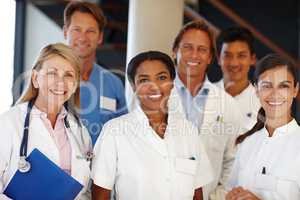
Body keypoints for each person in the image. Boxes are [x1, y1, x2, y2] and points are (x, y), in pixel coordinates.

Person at [91, 51, 214, 200]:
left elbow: (197, 193)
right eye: (144, 80)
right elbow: (100, 195)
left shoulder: (189, 131)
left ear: (172, 83)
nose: (154, 87)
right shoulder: (114, 131)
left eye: (162, 78)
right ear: (133, 86)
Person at [0, 43, 92, 199]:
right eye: (52, 73)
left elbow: (84, 192)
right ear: (35, 78)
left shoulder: (80, 131)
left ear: (75, 85)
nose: (60, 82)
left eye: (68, 75)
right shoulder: (8, 124)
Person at [172, 20, 246, 200]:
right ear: (175, 51)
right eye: (187, 47)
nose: (194, 55)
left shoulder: (227, 105)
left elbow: (232, 161)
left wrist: (217, 197)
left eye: (202, 49)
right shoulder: (154, 98)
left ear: (211, 57)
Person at [226, 54, 300, 200]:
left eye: (283, 86)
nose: (275, 94)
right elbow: (230, 189)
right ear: (256, 90)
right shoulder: (247, 143)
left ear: (295, 90)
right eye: (266, 86)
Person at [63, 1, 127, 145]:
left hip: (102, 165)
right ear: (65, 32)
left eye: (90, 31)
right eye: (77, 29)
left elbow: (123, 134)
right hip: (58, 165)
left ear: (100, 37)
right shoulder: (50, 80)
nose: (83, 37)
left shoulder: (113, 83)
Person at [215, 26, 260, 128]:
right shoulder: (205, 96)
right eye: (228, 55)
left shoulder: (262, 102)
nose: (234, 63)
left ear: (252, 59)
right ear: (218, 59)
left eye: (241, 56)